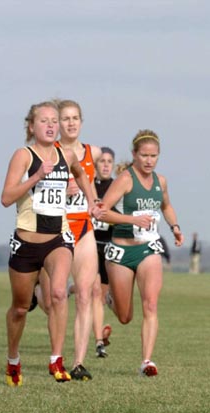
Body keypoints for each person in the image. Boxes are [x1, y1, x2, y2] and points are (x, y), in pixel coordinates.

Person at [0, 101, 96, 387]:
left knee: (57, 293)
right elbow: (6, 198)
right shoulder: (24, 156)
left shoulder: (66, 154)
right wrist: (37, 176)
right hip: (27, 241)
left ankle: (57, 359)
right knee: (19, 308)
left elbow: (80, 173)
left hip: (58, 238)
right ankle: (13, 360)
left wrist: (92, 202)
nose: (52, 125)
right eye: (45, 121)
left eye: (54, 120)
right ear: (31, 126)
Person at [97, 129, 184, 377]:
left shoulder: (161, 181)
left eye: (153, 156)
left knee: (151, 303)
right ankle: (112, 300)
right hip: (121, 251)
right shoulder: (125, 180)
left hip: (148, 248)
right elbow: (102, 211)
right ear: (134, 155)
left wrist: (175, 227)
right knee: (125, 317)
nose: (149, 160)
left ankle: (147, 361)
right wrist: (131, 219)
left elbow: (166, 205)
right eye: (144, 155)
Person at [39, 99, 102, 381]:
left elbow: (93, 189)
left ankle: (78, 362)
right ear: (57, 123)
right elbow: (39, 193)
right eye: (65, 119)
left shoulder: (93, 152)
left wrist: (94, 202)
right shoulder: (48, 154)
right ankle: (57, 357)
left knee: (86, 295)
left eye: (75, 118)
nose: (71, 123)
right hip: (55, 229)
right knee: (54, 299)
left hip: (84, 228)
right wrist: (64, 191)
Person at [92, 146, 116, 356]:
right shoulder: (88, 186)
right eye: (102, 161)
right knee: (95, 293)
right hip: (90, 246)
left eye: (109, 161)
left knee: (106, 297)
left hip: (110, 248)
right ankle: (99, 341)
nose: (106, 165)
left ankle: (73, 289)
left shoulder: (117, 187)